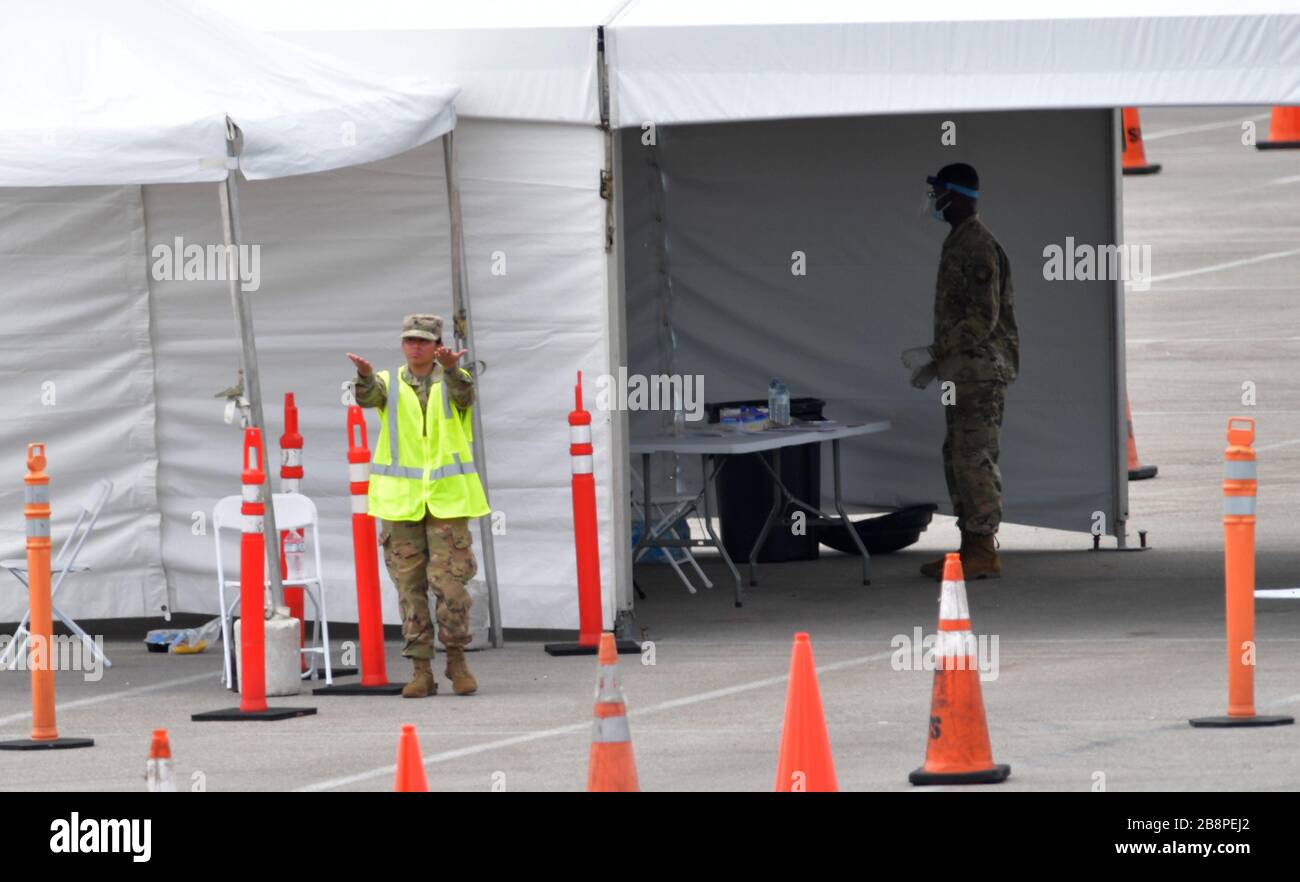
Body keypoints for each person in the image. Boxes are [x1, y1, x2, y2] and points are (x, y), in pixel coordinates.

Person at [347, 314, 490, 696]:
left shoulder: (454, 379)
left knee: (451, 587)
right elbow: (368, 397)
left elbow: (465, 397)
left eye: (424, 341)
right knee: (409, 590)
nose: (416, 346)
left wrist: (454, 369)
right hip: (401, 503)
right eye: (410, 340)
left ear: (437, 345)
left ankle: (457, 660)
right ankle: (420, 670)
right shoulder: (389, 382)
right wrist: (363, 377)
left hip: (446, 501)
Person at [902, 163, 1019, 580]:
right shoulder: (961, 241)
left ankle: (982, 548)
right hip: (963, 372)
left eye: (938, 194)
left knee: (974, 458)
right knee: (958, 456)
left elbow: (982, 319)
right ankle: (971, 545)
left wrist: (936, 350)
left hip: (979, 375)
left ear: (957, 195)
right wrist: (938, 363)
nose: (934, 203)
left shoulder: (977, 246)